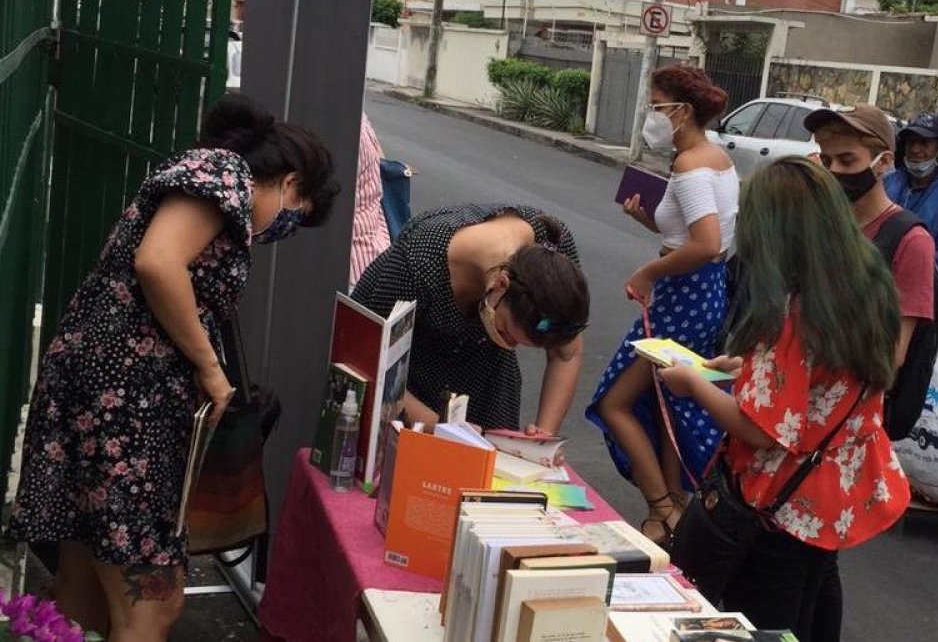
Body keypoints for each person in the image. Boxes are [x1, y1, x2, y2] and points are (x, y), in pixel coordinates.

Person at [7, 94, 340, 642]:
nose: (280, 229)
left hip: (103, 398)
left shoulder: (211, 180)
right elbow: (158, 262)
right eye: (294, 216)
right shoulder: (225, 174)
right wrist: (211, 370)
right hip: (123, 414)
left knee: (84, 589)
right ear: (290, 183)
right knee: (153, 607)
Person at [660, 157, 910, 641]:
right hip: (831, 491)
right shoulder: (867, 285)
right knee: (813, 609)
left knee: (766, 624)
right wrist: (745, 367)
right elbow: (828, 381)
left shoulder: (796, 311)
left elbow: (761, 428)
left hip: (779, 502)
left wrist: (694, 384)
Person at [587, 65, 738, 545]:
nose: (650, 116)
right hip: (701, 293)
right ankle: (675, 509)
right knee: (668, 400)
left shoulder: (690, 166)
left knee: (615, 402)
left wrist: (648, 272)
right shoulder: (714, 157)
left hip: (683, 297)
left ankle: (661, 510)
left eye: (656, 107)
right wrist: (649, 221)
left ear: (682, 111)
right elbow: (692, 236)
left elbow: (707, 242)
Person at [352, 204, 589, 433]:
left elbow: (566, 354)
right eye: (505, 332)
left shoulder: (552, 247)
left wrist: (543, 436)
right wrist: (439, 429)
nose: (510, 345)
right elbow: (369, 360)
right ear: (501, 284)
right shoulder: (417, 261)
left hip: (487, 383)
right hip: (405, 381)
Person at [806, 105, 936, 373]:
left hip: (848, 402)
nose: (834, 171)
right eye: (827, 161)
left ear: (884, 162)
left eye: (847, 160)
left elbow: (892, 354)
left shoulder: (911, 241)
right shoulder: (822, 222)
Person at [884, 111, 938, 275]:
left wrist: (905, 264)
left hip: (918, 282)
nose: (915, 149)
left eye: (924, 143)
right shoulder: (887, 182)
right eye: (911, 143)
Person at [349, 112, 391, 287]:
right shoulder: (361, 117)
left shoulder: (348, 131)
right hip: (376, 252)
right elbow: (382, 160)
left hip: (351, 265)